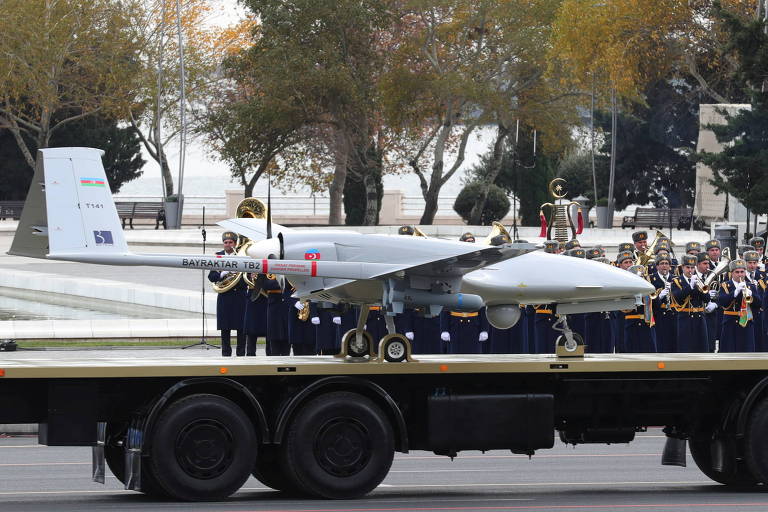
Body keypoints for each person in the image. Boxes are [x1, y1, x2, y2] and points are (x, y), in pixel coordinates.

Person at [207, 231, 248, 357]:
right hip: (225, 296)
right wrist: (222, 274)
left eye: (230, 242)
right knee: (225, 328)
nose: (228, 245)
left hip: (240, 296)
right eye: (226, 242)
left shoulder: (241, 256)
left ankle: (241, 354)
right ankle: (226, 355)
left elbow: (247, 276)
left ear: (235, 243)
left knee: (241, 329)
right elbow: (211, 276)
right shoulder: (218, 256)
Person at [718, 259, 762, 353]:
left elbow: (759, 304)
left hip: (746, 323)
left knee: (747, 352)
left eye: (742, 272)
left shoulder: (750, 286)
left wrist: (752, 295)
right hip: (730, 324)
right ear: (732, 273)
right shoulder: (726, 286)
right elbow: (722, 302)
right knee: (729, 352)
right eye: (737, 272)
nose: (740, 274)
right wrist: (735, 292)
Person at [670, 255, 710, 352]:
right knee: (685, 347)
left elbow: (707, 299)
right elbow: (677, 297)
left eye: (692, 267)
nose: (690, 270)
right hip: (685, 318)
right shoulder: (676, 281)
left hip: (700, 318)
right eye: (688, 267)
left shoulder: (700, 280)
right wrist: (690, 286)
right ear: (682, 267)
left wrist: (699, 286)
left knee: (701, 348)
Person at [650, 254, 677, 352]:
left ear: (670, 266)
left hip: (673, 315)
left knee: (674, 344)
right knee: (661, 344)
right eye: (661, 263)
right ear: (657, 266)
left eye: (666, 263)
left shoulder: (675, 279)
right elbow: (649, 300)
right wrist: (659, 296)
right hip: (659, 316)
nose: (664, 266)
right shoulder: (651, 279)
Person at [696, 253, 719, 352]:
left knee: (710, 345)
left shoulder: (712, 275)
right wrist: (706, 294)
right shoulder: (693, 276)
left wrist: (715, 303)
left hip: (710, 315)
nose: (708, 266)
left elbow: (722, 292)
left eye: (708, 263)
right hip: (697, 314)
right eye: (704, 263)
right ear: (697, 264)